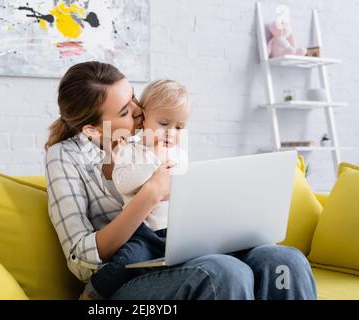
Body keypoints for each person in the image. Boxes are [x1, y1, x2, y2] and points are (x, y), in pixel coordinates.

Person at [45, 61, 317, 300]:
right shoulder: (65, 157)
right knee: (223, 273)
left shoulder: (155, 137)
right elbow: (79, 258)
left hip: (181, 252)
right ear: (92, 128)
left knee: (284, 260)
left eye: (133, 98)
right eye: (124, 112)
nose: (139, 111)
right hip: (129, 273)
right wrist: (151, 192)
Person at [81, 79, 191, 299]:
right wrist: (154, 160)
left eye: (179, 127)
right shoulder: (130, 150)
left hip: (176, 231)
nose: (171, 133)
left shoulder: (180, 154)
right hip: (143, 232)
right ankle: (92, 294)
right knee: (127, 262)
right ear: (144, 118)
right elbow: (125, 181)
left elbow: (184, 187)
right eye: (163, 123)